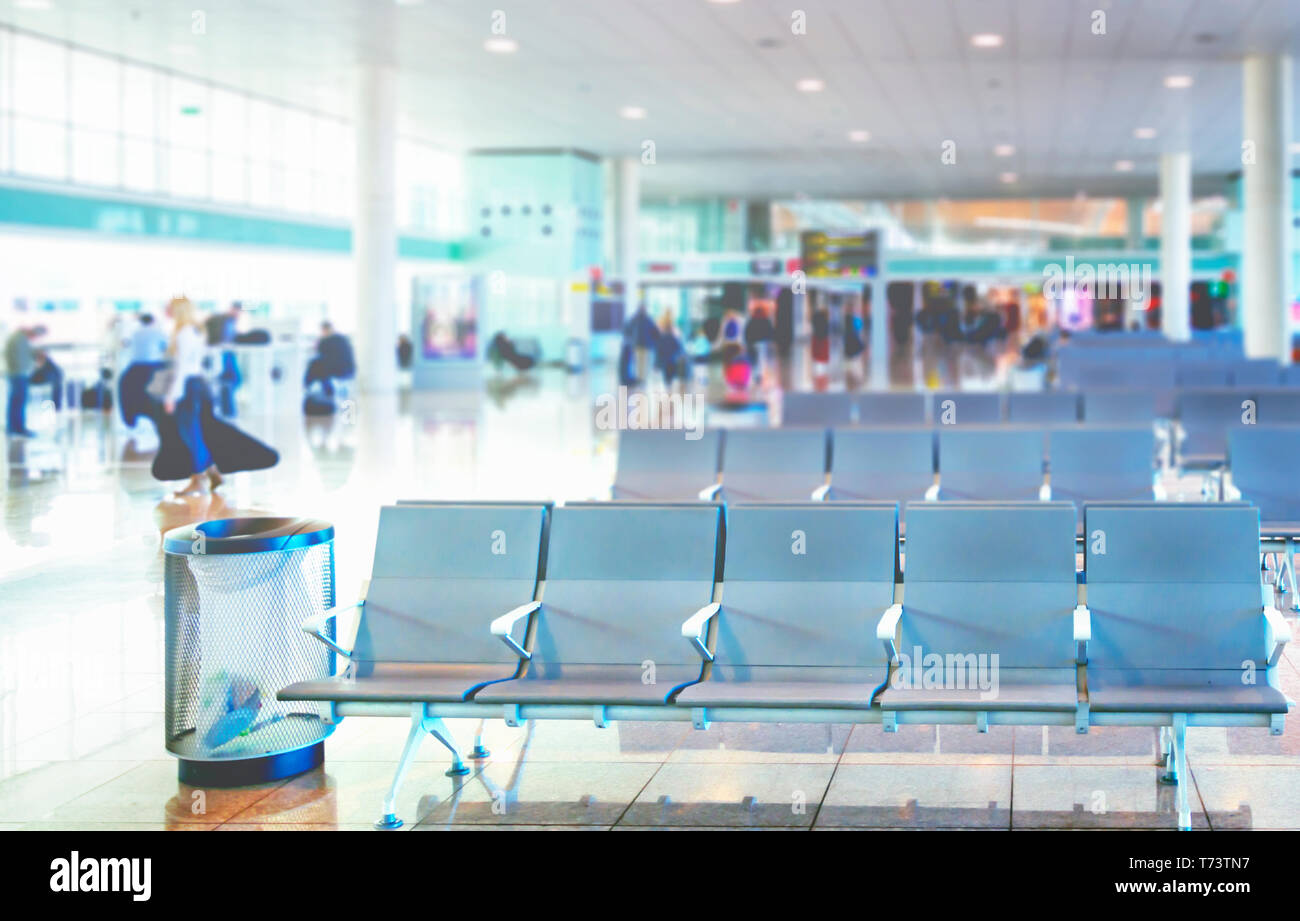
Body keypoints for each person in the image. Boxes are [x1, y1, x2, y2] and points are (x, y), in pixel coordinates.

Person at [164, 298, 221, 495]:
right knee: (191, 431)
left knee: (190, 432)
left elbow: (182, 368)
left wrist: (171, 396)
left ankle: (198, 478)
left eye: (169, 307)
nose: (166, 310)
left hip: (187, 385)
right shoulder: (196, 331)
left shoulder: (183, 333)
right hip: (196, 382)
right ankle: (211, 470)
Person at [120, 313, 169, 426]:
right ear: (153, 321)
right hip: (155, 367)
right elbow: (166, 348)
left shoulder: (135, 333)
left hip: (135, 369)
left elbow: (125, 344)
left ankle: (130, 420)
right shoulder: (159, 332)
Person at [5, 324, 45, 437]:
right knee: (19, 402)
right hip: (19, 374)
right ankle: (19, 428)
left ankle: (13, 428)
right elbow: (21, 359)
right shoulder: (19, 340)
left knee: (15, 402)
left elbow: (25, 355)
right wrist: (34, 363)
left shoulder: (19, 339)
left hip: (16, 374)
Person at [206, 301, 242, 416]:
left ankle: (228, 409)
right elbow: (218, 337)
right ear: (231, 309)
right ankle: (228, 411)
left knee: (231, 381)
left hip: (227, 353)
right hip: (222, 353)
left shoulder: (230, 321)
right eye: (237, 311)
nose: (238, 314)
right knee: (231, 380)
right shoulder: (222, 319)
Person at [304, 322, 357, 400]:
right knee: (319, 366)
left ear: (324, 330)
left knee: (316, 366)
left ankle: (309, 387)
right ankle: (326, 391)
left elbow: (319, 352)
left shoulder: (325, 341)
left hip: (337, 369)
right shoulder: (343, 338)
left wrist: (320, 340)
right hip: (349, 370)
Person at [654, 311, 685, 390]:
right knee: (671, 374)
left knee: (667, 375)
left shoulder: (662, 338)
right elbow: (678, 347)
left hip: (666, 360)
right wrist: (681, 354)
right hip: (672, 359)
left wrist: (656, 363)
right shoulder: (673, 337)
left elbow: (658, 350)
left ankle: (668, 386)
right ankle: (669, 386)